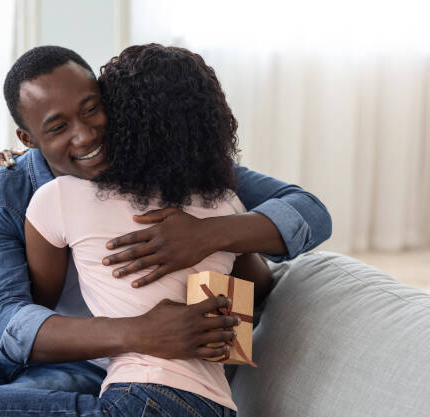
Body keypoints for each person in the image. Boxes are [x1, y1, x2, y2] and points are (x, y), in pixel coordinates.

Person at [0, 45, 331, 417]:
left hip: (101, 363)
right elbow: (4, 322)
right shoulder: (4, 188)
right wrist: (140, 330)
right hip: (4, 338)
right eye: (57, 126)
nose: (86, 135)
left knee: (15, 402)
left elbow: (310, 212)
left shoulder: (172, 166)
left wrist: (210, 234)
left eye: (92, 108)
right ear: (27, 138)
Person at [21, 43, 274, 416]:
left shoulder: (61, 197)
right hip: (216, 405)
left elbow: (35, 309)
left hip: (140, 400)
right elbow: (258, 288)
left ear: (122, 118)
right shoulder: (226, 205)